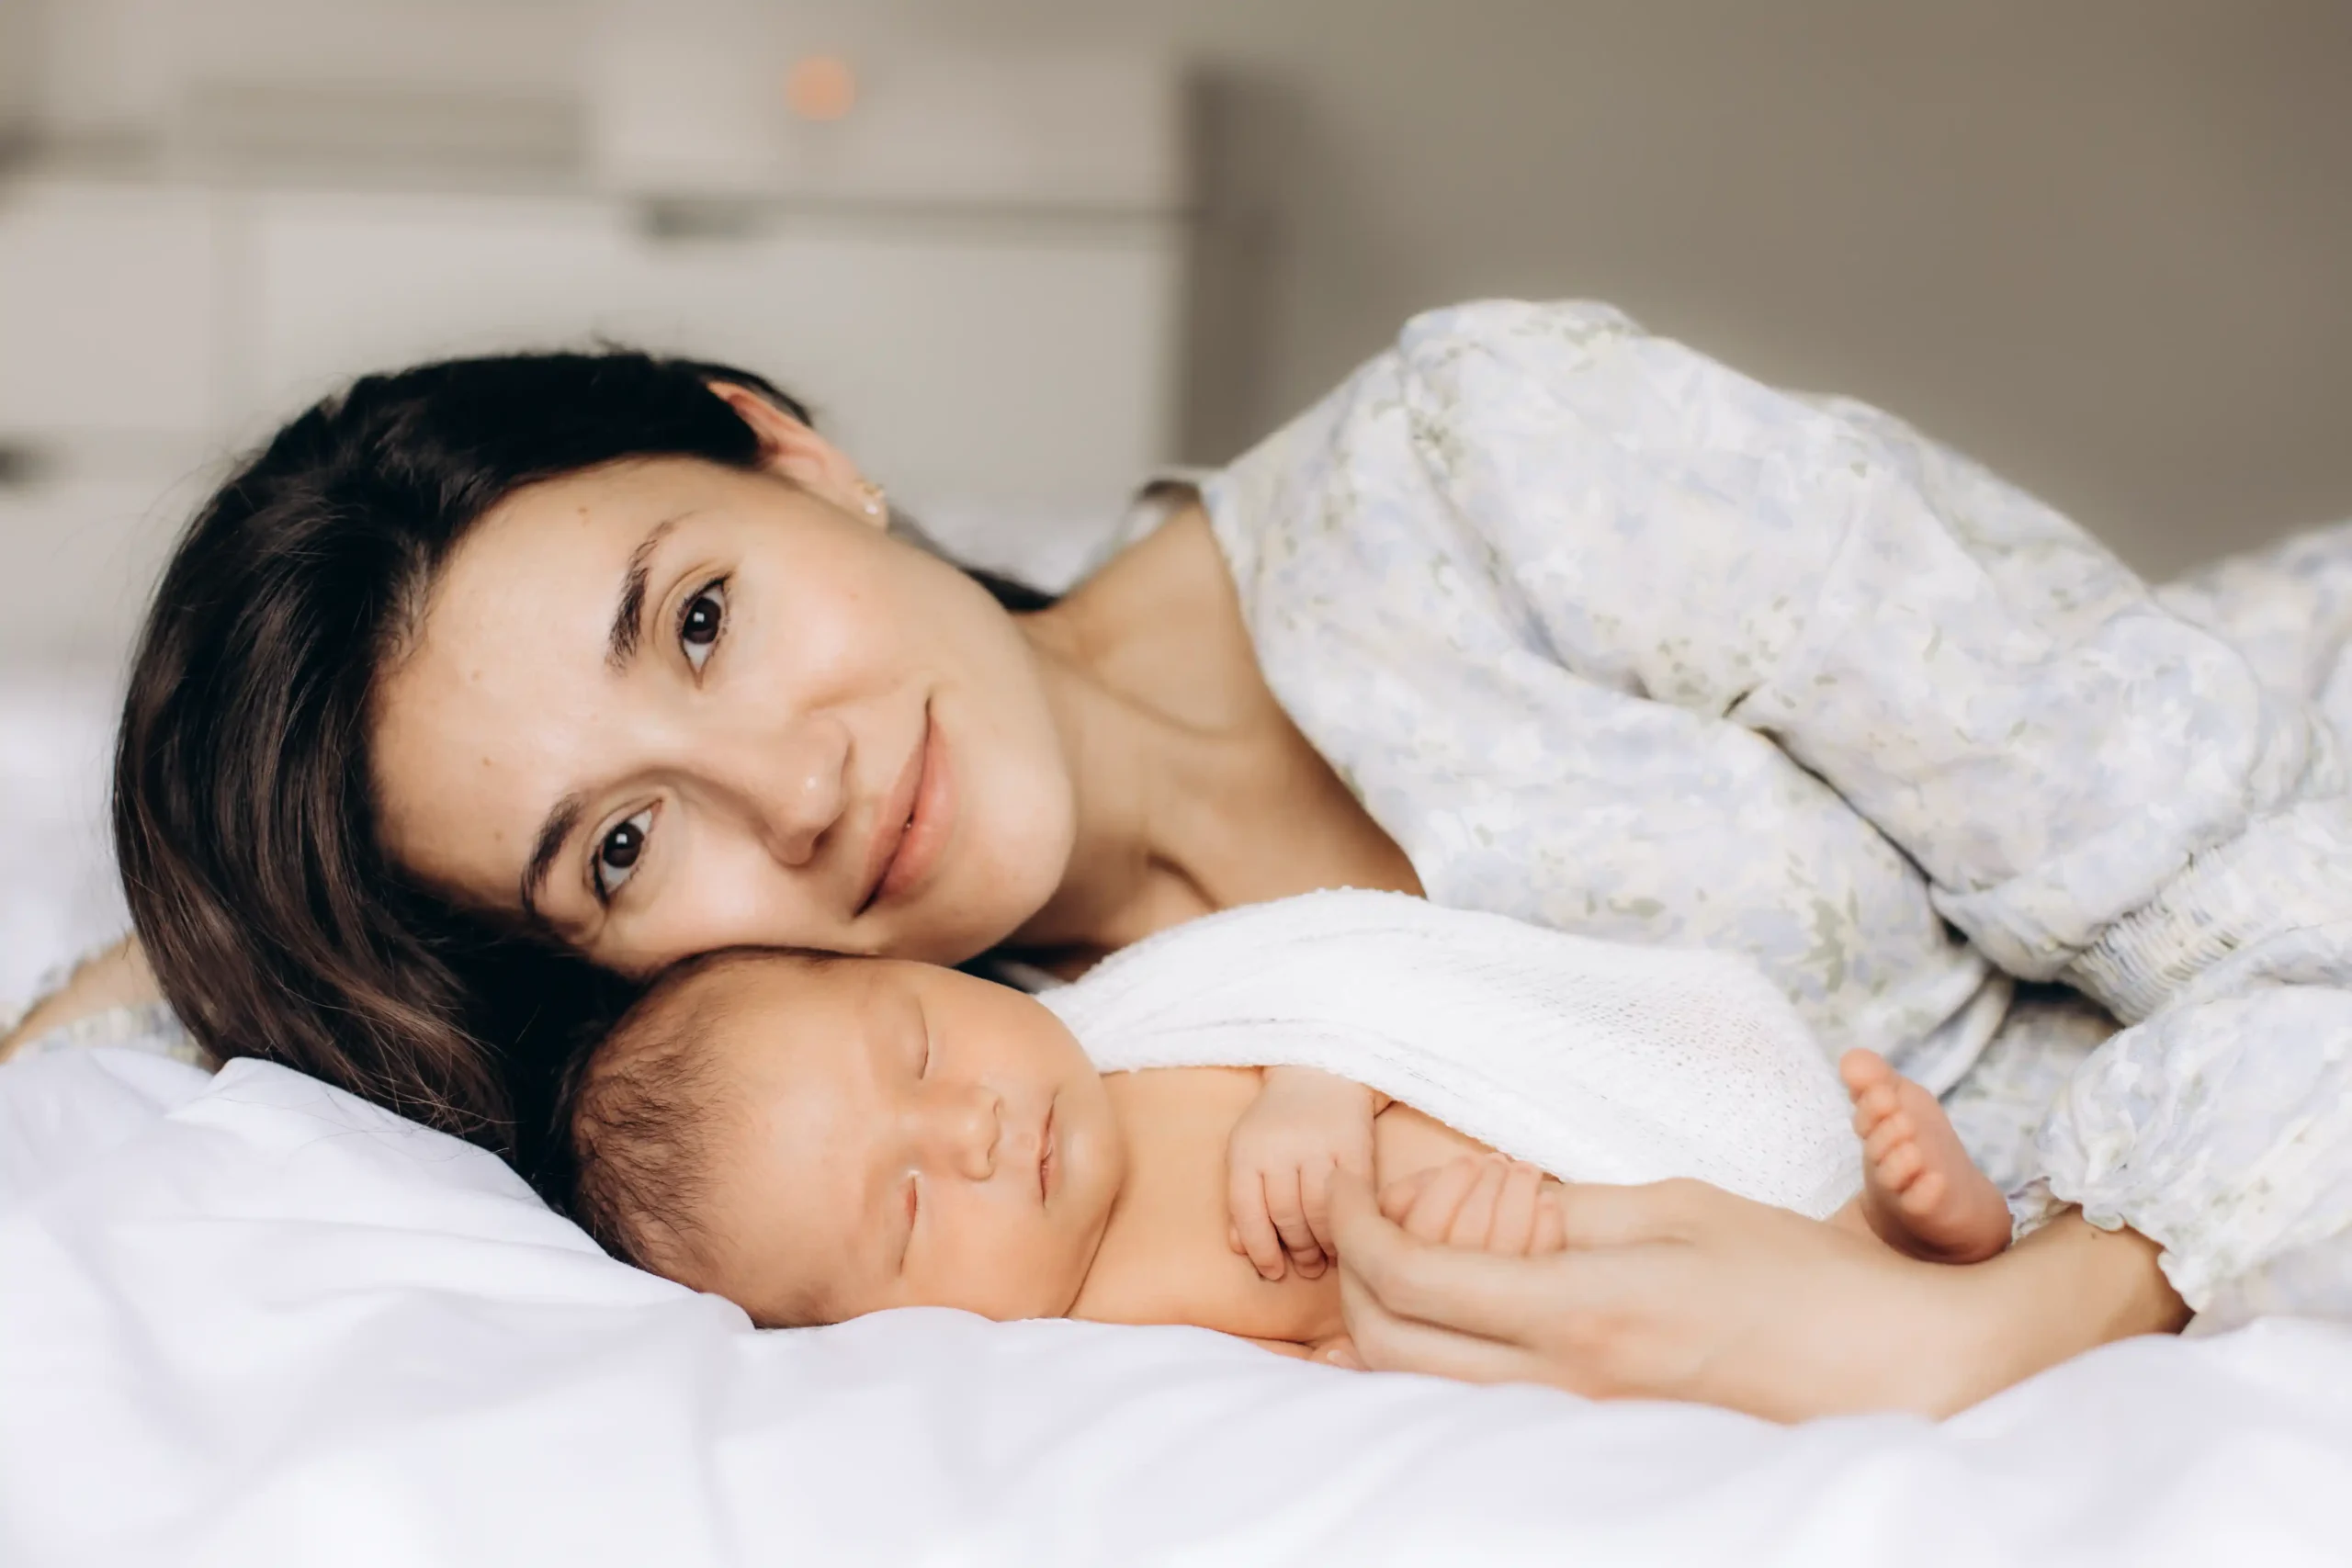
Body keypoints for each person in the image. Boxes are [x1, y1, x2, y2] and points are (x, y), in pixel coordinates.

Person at [13, 299, 2351, 1416]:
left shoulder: (1492, 473)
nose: (790, 786)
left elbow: (2269, 900)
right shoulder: (985, 1123)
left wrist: (1992, 1320)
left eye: (701, 617)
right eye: (624, 843)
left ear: (790, 452)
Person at [555, 892, 2009, 1366]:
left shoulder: (1146, 1021)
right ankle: (1881, 1252)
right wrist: (1427, 1297)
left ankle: (1895, 1223)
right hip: (1561, 1259)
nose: (980, 1128)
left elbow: (1350, 959)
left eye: (923, 1048)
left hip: (1569, 1109)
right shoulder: (1106, 1336)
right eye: (913, 1204)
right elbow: (1325, 1371)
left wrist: (1321, 1077)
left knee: (1762, 1216)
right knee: (1695, 1316)